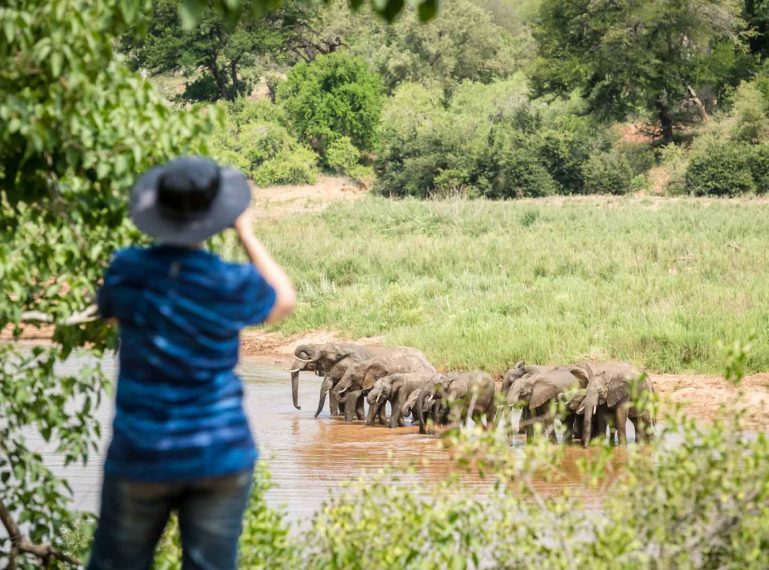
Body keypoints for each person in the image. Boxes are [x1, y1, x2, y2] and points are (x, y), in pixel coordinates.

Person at [87, 156, 295, 570]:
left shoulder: (128, 270)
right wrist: (246, 233)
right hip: (219, 451)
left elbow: (107, 311)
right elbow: (283, 299)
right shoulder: (229, 282)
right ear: (218, 216)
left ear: (156, 213)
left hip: (142, 451)